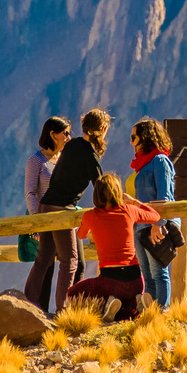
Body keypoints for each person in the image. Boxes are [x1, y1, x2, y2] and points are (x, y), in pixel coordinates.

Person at [26, 108, 110, 312]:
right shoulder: (89, 154)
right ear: (102, 129)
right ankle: (64, 310)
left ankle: (28, 303)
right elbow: (101, 186)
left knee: (44, 257)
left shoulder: (71, 146)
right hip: (62, 209)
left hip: (47, 206)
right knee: (70, 261)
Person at [65, 173, 165, 319]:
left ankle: (109, 302)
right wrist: (134, 202)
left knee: (72, 293)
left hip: (110, 282)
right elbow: (155, 216)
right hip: (136, 281)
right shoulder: (129, 210)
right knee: (127, 315)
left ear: (96, 194)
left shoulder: (90, 216)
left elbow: (81, 235)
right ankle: (137, 302)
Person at [130, 118, 177, 308]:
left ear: (146, 137)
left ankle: (163, 314)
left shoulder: (160, 160)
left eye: (134, 137)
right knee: (147, 275)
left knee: (159, 273)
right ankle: (149, 316)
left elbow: (164, 195)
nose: (131, 142)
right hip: (140, 226)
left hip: (155, 225)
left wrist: (158, 224)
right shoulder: (142, 164)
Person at [26, 116, 70, 214]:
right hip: (45, 217)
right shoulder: (36, 160)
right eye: (65, 134)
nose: (69, 138)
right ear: (53, 135)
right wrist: (37, 218)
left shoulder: (66, 159)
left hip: (65, 216)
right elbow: (30, 193)